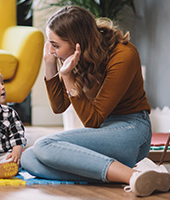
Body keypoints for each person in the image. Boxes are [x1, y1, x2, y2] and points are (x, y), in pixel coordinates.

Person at [21, 5, 170, 197]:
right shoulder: (77, 56)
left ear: (77, 43)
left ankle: (132, 175)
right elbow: (59, 106)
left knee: (44, 146)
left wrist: (67, 77)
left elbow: (93, 121)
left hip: (132, 131)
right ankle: (133, 175)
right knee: (28, 158)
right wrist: (49, 64)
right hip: (102, 133)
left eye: (55, 46)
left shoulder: (123, 55)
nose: (53, 51)